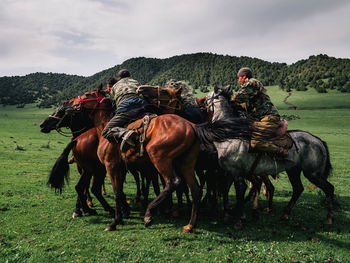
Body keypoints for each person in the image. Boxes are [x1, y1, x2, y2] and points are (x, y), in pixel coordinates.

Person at [231, 67, 288, 156]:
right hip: (261, 118)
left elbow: (237, 98)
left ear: (244, 76)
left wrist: (226, 100)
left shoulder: (251, 83)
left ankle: (281, 151)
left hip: (268, 118)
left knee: (255, 143)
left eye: (239, 77)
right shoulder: (250, 88)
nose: (238, 80)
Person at [102, 69, 148, 146]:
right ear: (130, 76)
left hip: (126, 108)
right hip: (143, 105)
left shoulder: (115, 86)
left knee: (106, 132)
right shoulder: (135, 82)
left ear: (119, 78)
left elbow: (113, 102)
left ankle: (127, 133)